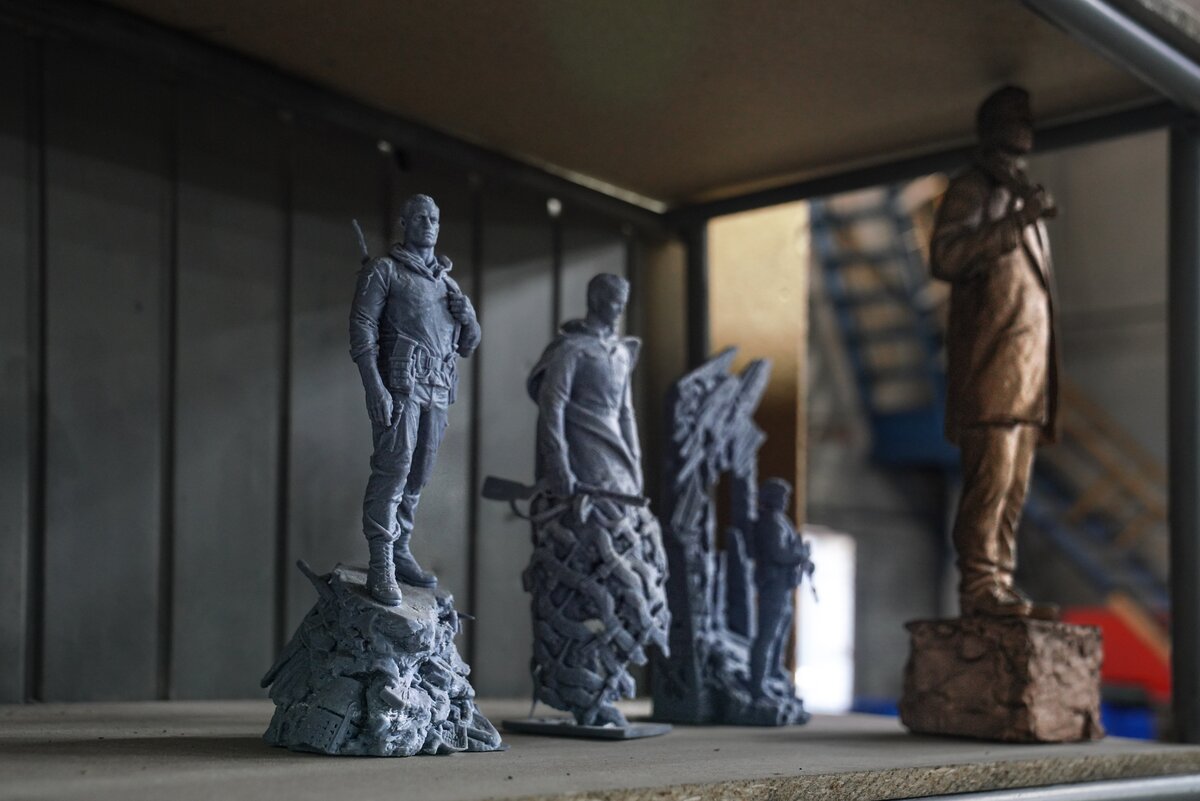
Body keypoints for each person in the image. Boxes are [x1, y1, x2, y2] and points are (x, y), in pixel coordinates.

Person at [930, 86, 1059, 620]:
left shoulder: (1021, 192)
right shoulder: (974, 188)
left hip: (1027, 370)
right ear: (990, 127)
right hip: (992, 365)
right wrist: (1017, 221)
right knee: (990, 483)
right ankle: (979, 586)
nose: (1025, 126)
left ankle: (1000, 583)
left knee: (1013, 489)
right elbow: (946, 256)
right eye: (1013, 117)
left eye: (1028, 117)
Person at [522, 273, 669, 727]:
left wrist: (636, 470)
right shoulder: (573, 350)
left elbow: (626, 413)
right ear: (596, 300)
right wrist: (559, 468)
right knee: (586, 570)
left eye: (624, 300)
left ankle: (609, 680)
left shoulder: (621, 353)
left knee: (624, 575)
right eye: (612, 300)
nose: (618, 308)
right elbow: (553, 408)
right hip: (582, 464)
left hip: (617, 472)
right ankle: (581, 686)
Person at [349, 194, 480, 605]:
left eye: (435, 218)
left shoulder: (447, 283)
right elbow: (362, 328)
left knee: (419, 474)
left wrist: (469, 318)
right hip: (401, 385)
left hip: (438, 388)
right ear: (404, 223)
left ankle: (400, 548)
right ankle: (381, 562)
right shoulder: (385, 270)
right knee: (394, 470)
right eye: (420, 217)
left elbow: (468, 345)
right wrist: (374, 386)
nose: (429, 224)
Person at [748, 478, 812, 699]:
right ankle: (757, 683)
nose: (785, 500)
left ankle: (773, 672)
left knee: (780, 634)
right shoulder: (770, 523)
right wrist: (801, 555)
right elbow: (779, 554)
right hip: (773, 586)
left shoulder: (781, 521)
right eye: (781, 496)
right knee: (767, 635)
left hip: (784, 587)